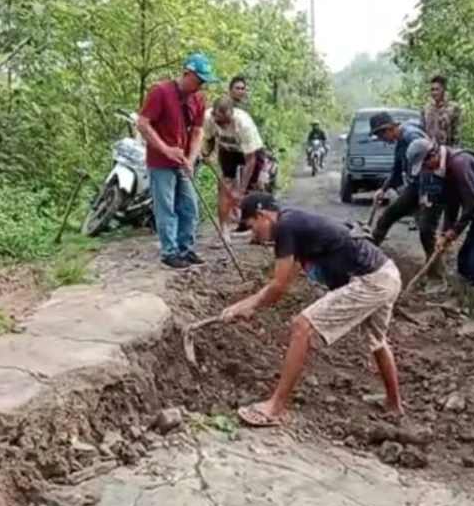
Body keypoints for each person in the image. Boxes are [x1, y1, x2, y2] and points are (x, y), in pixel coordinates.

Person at [220, 192, 405, 427]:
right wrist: (250, 305)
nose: (253, 234)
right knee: (377, 340)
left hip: (370, 280)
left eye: (251, 226)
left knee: (301, 326)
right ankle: (393, 404)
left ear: (262, 215)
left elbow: (277, 286)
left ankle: (274, 407)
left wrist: (244, 305)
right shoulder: (295, 223)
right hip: (386, 273)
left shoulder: (284, 227)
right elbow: (285, 281)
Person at [409, 137, 474, 334]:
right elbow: (452, 204)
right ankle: (456, 301)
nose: (426, 170)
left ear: (434, 155)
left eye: (425, 164)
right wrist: (444, 233)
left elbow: (472, 204)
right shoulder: (444, 170)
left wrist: (452, 233)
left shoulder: (460, 165)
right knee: (464, 258)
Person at [137, 53, 218, 269]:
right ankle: (169, 251)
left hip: (183, 161)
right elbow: (143, 124)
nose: (200, 86)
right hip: (160, 162)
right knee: (166, 208)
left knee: (189, 206)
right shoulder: (160, 92)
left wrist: (191, 159)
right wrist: (165, 149)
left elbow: (198, 131)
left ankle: (186, 248)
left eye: (204, 82)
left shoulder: (198, 99)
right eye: (198, 80)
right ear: (186, 74)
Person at [366, 112, 445, 285]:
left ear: (390, 128)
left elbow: (429, 163)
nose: (381, 139)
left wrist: (425, 197)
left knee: (426, 229)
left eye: (380, 134)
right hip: (415, 187)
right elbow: (396, 171)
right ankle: (365, 259)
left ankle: (436, 278)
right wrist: (383, 189)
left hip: (431, 186)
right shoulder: (400, 141)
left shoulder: (411, 135)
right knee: (387, 217)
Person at [200, 95, 270, 239]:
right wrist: (207, 153)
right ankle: (224, 229)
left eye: (227, 122)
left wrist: (241, 190)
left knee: (254, 190)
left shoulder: (244, 124)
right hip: (227, 150)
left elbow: (250, 160)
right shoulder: (207, 118)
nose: (224, 126)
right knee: (224, 187)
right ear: (214, 115)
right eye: (220, 122)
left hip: (251, 151)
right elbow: (210, 138)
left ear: (232, 114)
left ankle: (258, 229)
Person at [422, 74, 462, 147]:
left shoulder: (453, 108)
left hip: (448, 150)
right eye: (432, 90)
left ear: (443, 89)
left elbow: (456, 133)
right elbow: (423, 131)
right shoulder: (426, 109)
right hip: (430, 151)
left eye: (437, 89)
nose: (434, 93)